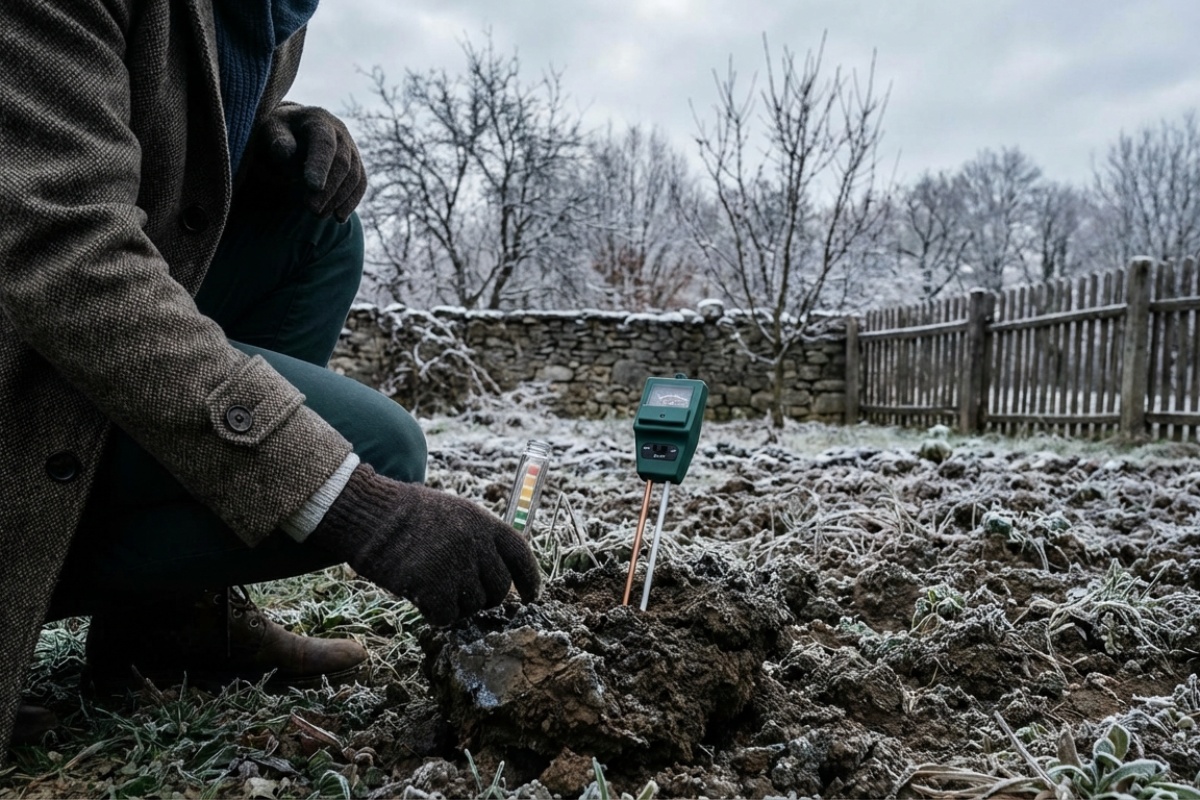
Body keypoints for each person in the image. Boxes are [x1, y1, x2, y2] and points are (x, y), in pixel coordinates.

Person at [0, 0, 542, 753]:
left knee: (317, 223)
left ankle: (165, 619)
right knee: (379, 450)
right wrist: (353, 502)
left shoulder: (274, 14)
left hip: (70, 340)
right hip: (30, 331)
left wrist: (275, 128)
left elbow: (145, 117)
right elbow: (62, 250)